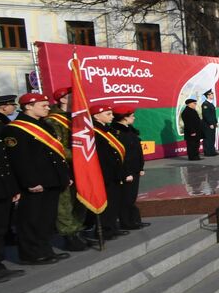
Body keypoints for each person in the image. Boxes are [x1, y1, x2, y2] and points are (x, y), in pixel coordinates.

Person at [2, 93, 71, 265]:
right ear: (28, 106)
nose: (48, 108)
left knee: (47, 218)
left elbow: (56, 155)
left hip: (51, 180)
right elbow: (20, 160)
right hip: (35, 183)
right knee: (31, 219)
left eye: (47, 105)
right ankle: (30, 253)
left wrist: (64, 176)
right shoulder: (15, 129)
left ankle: (45, 250)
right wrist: (30, 182)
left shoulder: (44, 125)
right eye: (44, 105)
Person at [41, 86, 88, 251]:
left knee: (81, 198)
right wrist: (79, 157)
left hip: (82, 166)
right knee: (65, 202)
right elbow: (57, 146)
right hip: (64, 166)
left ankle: (78, 230)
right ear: (62, 99)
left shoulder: (78, 117)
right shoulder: (52, 120)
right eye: (72, 96)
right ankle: (69, 235)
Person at [84, 105, 127, 239]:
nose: (112, 116)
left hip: (114, 173)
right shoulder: (93, 132)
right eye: (108, 114)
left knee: (114, 202)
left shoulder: (108, 130)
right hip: (104, 174)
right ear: (96, 116)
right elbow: (100, 156)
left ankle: (112, 227)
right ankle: (104, 229)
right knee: (105, 203)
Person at [0, 95, 25, 283]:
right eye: (11, 104)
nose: (13, 107)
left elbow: (4, 162)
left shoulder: (0, 126)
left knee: (0, 226)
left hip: (2, 186)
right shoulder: (0, 126)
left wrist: (12, 187)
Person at [111, 109, 148, 230]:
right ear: (124, 117)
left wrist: (141, 167)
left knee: (132, 196)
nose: (134, 118)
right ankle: (126, 222)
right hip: (127, 170)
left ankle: (134, 220)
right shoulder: (117, 132)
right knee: (127, 197)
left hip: (135, 169)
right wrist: (126, 172)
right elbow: (122, 155)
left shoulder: (129, 130)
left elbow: (137, 151)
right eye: (132, 116)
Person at [180, 96, 203, 161]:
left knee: (196, 144)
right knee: (191, 145)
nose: (195, 105)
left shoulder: (192, 111)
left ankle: (196, 156)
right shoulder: (186, 112)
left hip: (196, 131)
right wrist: (192, 131)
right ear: (189, 104)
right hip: (191, 132)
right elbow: (188, 123)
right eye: (194, 103)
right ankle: (192, 157)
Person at [200, 90, 219, 156]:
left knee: (212, 138)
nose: (213, 95)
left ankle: (212, 151)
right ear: (208, 95)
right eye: (211, 94)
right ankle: (207, 152)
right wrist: (210, 123)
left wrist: (216, 122)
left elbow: (213, 115)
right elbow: (206, 115)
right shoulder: (205, 104)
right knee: (207, 138)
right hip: (207, 124)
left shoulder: (210, 104)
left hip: (212, 124)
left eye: (212, 93)